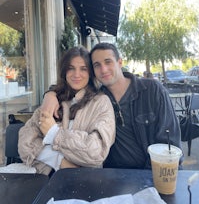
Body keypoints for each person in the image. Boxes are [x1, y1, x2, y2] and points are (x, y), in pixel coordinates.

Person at [41, 43, 183, 169]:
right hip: (113, 175)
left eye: (108, 62)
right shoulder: (96, 98)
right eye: (97, 65)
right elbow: (70, 89)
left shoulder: (152, 90)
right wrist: (50, 94)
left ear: (120, 62)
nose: (103, 69)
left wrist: (148, 178)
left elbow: (170, 143)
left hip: (154, 173)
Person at [18, 46, 115, 175]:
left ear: (90, 73)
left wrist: (53, 134)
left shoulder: (101, 102)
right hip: (45, 179)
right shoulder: (53, 100)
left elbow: (96, 152)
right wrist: (59, 161)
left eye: (83, 69)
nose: (76, 74)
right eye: (71, 68)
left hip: (86, 182)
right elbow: (25, 142)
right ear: (64, 71)